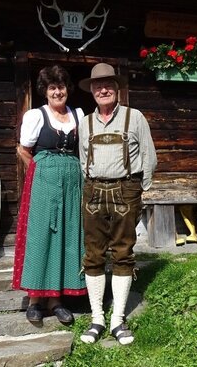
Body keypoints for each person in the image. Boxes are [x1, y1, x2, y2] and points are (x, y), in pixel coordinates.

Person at [77, 63, 157, 346]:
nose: (103, 89)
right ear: (92, 91)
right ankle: (97, 317)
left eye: (108, 84)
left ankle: (117, 319)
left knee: (123, 251)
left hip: (126, 189)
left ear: (117, 88)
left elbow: (149, 156)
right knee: (93, 253)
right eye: (98, 86)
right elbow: (82, 159)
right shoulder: (85, 123)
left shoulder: (134, 117)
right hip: (93, 190)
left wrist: (139, 188)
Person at [12, 65, 86, 325]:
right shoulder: (36, 115)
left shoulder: (78, 114)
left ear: (68, 89)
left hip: (72, 183)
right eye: (52, 87)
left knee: (67, 236)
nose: (58, 92)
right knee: (41, 234)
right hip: (44, 181)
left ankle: (56, 300)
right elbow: (23, 149)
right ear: (45, 91)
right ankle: (35, 299)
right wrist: (39, 168)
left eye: (61, 86)